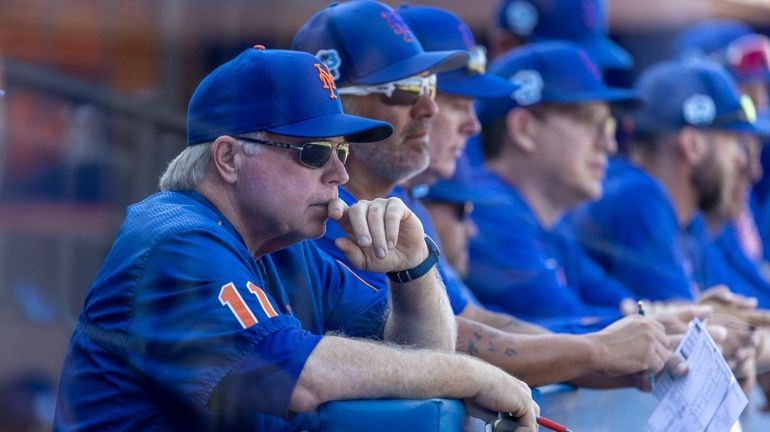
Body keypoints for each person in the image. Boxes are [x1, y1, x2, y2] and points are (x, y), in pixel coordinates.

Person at [53, 47, 540, 431]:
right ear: (228, 158)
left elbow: (419, 357)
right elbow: (306, 377)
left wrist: (413, 269)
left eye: (342, 150)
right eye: (313, 152)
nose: (339, 173)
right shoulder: (175, 241)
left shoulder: (289, 249)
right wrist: (474, 374)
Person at [296, 2, 679, 389]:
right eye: (405, 89)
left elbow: (474, 319)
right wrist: (597, 352)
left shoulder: (403, 206)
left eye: (431, 87)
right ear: (335, 104)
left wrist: (620, 355)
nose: (430, 107)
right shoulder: (321, 215)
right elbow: (442, 344)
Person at [467, 41, 640, 330]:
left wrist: (683, 317)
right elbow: (582, 337)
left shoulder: (549, 223)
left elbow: (623, 306)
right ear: (524, 129)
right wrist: (665, 324)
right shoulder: (487, 213)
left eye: (609, 126)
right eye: (592, 122)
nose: (608, 145)